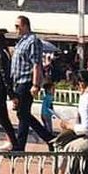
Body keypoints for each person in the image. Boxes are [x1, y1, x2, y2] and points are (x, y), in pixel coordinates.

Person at [9, 15, 54, 151]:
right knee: (23, 114)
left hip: (26, 81)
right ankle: (49, 138)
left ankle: (19, 146)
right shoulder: (21, 42)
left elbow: (36, 64)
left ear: (25, 26)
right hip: (18, 81)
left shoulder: (32, 41)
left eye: (18, 26)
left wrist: (35, 84)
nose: (16, 29)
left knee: (23, 113)